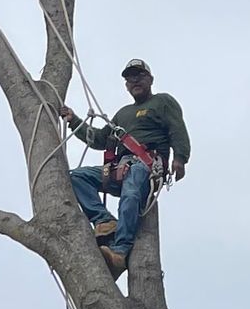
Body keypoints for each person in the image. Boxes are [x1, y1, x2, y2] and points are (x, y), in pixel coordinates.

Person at [64, 61, 191, 273]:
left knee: (131, 195)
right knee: (77, 177)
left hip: (147, 165)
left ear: (150, 79)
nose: (135, 81)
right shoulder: (123, 114)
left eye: (139, 76)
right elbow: (99, 139)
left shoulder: (162, 102)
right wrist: (74, 120)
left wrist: (180, 158)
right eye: (130, 78)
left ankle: (120, 250)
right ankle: (104, 221)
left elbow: (177, 129)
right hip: (120, 168)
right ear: (126, 85)